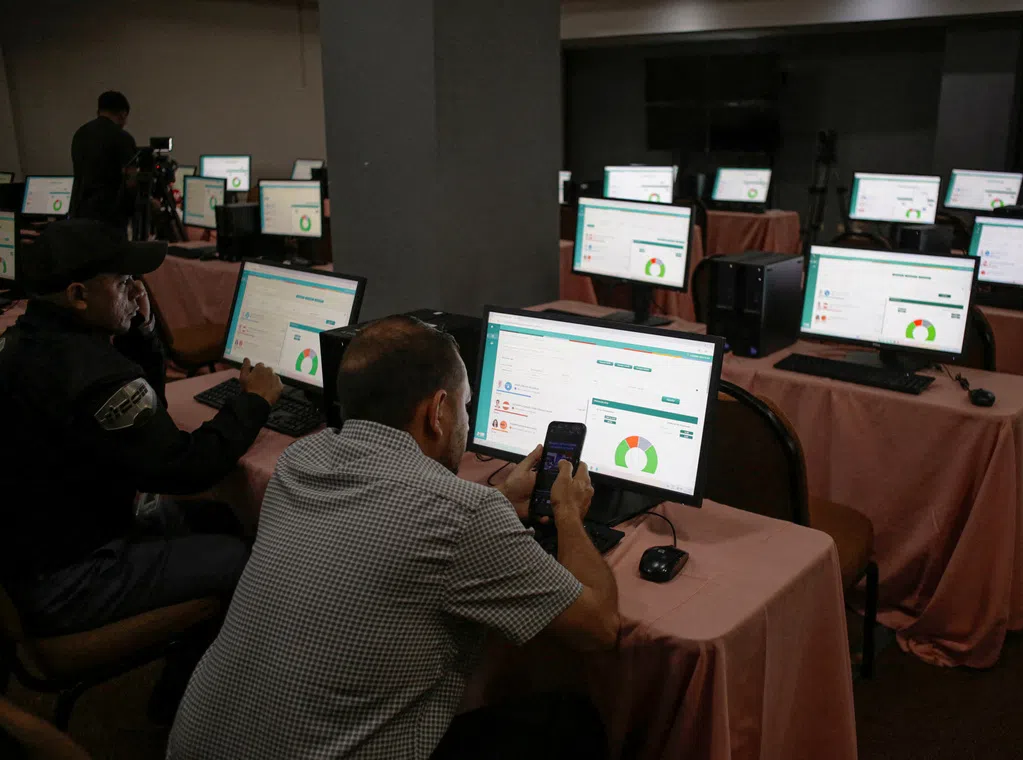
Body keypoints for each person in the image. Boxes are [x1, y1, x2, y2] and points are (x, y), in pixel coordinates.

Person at [169, 316, 618, 760]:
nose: (465, 421)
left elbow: (385, 520)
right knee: (570, 718)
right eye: (465, 406)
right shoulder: (464, 515)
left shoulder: (297, 461)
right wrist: (567, 511)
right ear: (437, 412)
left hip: (195, 745)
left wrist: (497, 499)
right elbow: (599, 628)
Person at [0, 219, 283, 642]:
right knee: (245, 556)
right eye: (123, 282)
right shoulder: (94, 376)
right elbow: (186, 468)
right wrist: (254, 401)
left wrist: (142, 333)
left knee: (222, 516)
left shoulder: (25, 340)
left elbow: (148, 422)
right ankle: (205, 679)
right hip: (71, 579)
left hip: (42, 551)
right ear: (78, 295)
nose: (137, 291)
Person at [71, 91, 138, 228]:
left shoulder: (80, 134)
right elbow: (131, 181)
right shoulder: (122, 137)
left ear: (98, 111)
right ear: (123, 114)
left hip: (80, 213)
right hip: (109, 218)